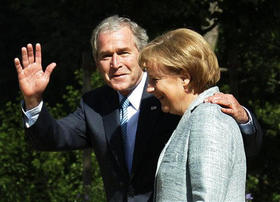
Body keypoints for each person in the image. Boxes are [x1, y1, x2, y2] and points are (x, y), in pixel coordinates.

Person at [14, 15, 262, 202]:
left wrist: (243, 119)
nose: (115, 63)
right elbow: (52, 138)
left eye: (123, 52)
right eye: (105, 55)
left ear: (142, 54)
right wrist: (33, 101)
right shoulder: (94, 104)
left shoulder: (175, 93)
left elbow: (226, 149)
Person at [138, 28, 248, 201]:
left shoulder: (208, 119)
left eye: (155, 80)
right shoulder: (194, 117)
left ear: (184, 78)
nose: (149, 89)